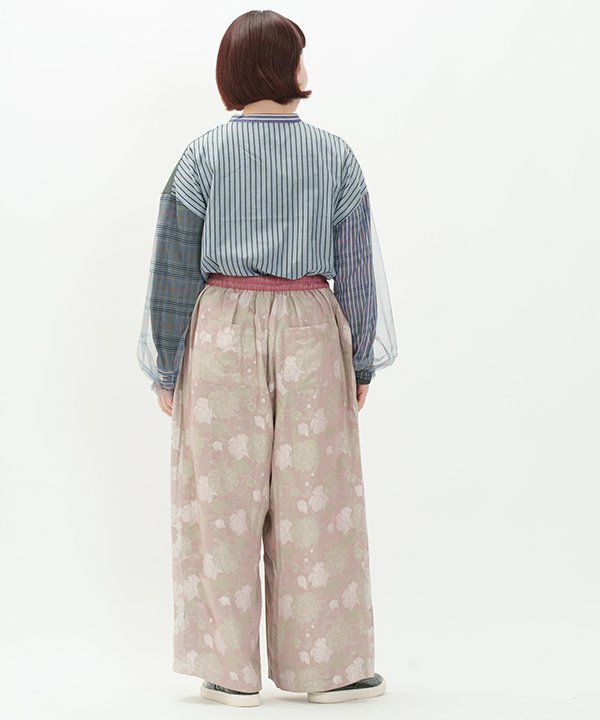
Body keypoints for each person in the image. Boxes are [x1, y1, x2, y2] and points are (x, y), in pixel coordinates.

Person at [136, 9, 397, 707]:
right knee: (320, 499)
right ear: (288, 68)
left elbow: (172, 269)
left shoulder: (201, 157)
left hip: (221, 330)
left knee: (219, 498)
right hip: (312, 327)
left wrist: (166, 366)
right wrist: (360, 362)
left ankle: (228, 671)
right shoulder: (336, 156)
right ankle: (331, 671)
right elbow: (355, 270)